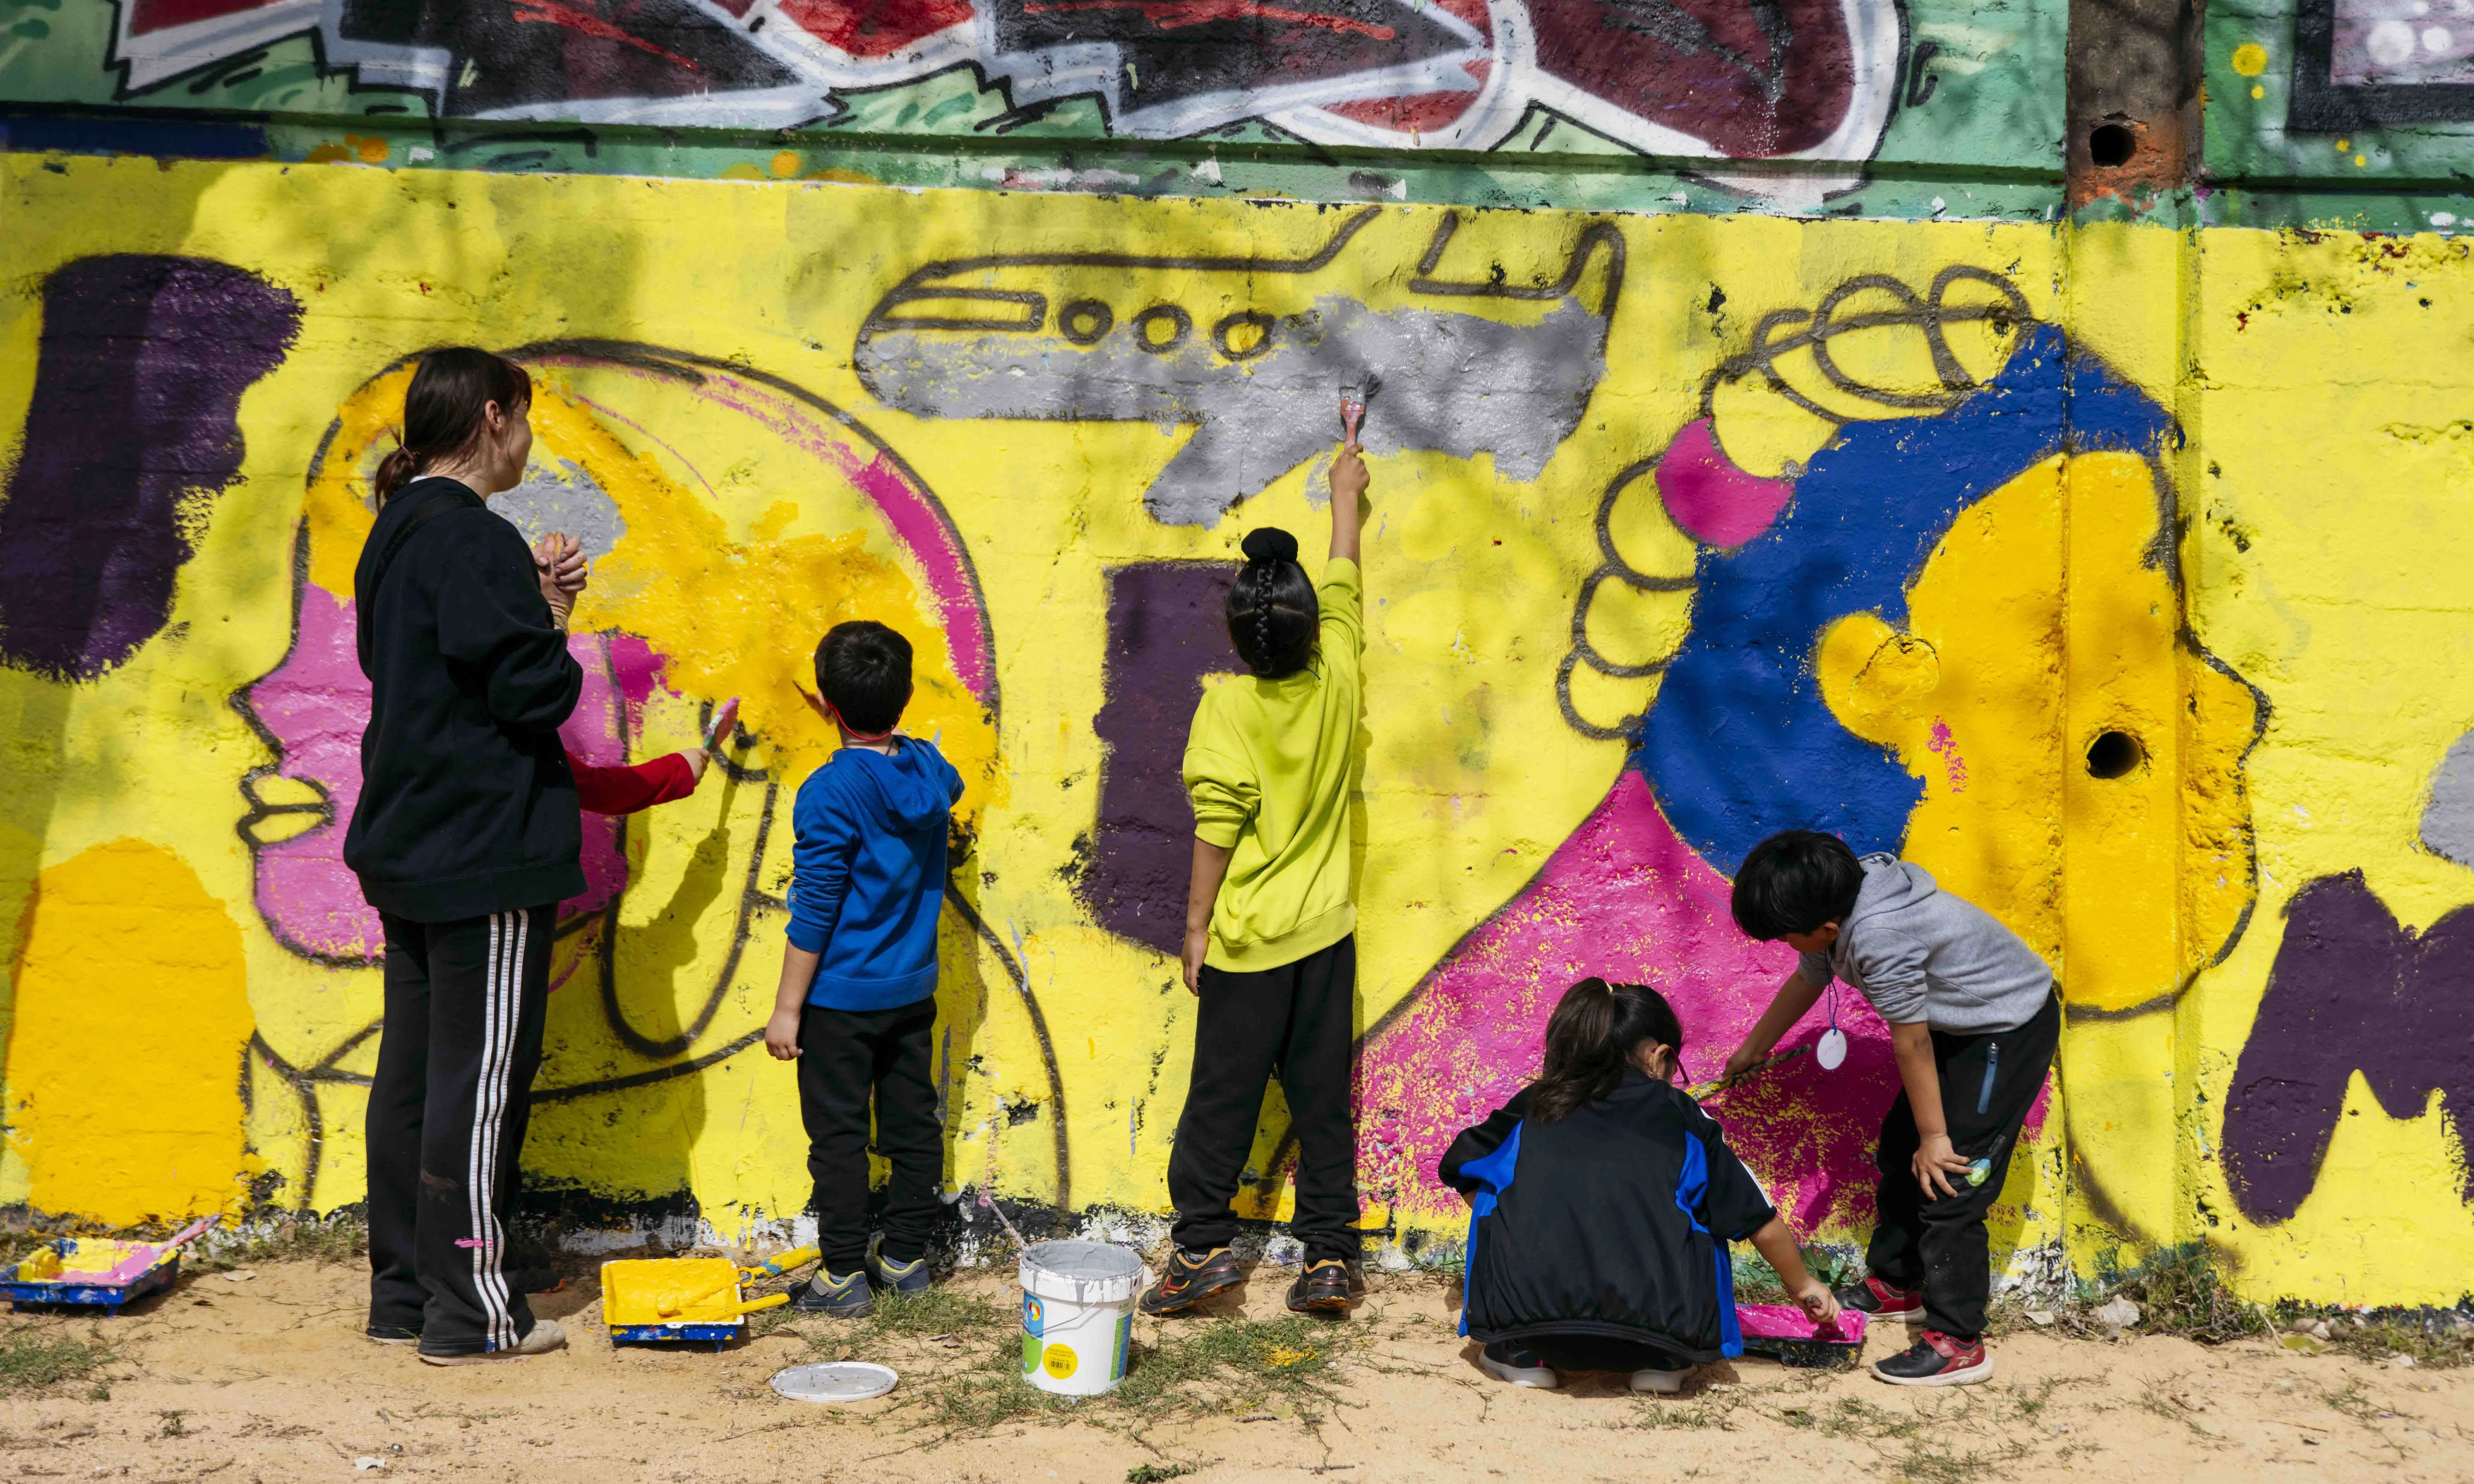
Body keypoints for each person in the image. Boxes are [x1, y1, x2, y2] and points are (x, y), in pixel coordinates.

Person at [348, 347, 588, 1364]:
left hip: (409, 835)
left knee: (413, 1073)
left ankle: (405, 1291)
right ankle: (474, 1310)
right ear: (493, 417)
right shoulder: (475, 538)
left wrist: (531, 606)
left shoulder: (397, 532)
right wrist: (553, 620)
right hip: (481, 845)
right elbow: (533, 695)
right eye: (525, 418)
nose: (530, 439)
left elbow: (447, 670)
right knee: (479, 1079)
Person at [1138, 439, 1372, 1319]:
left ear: (1237, 636)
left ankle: (1202, 1248)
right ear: (1314, 630)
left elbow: (1215, 828)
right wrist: (1343, 495)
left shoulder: (1227, 705)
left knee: (1220, 1103)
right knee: (1320, 1103)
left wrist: (1195, 927)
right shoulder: (1342, 677)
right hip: (1326, 937)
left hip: (1247, 944)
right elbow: (1344, 578)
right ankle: (1328, 1260)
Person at [1723, 829, 2060, 1387]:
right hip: (1958, 1027)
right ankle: (1899, 1284)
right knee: (1902, 1147)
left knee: (1952, 1176)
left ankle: (1958, 1342)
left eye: (1788, 937)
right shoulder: (1838, 898)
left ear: (1828, 930)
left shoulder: (1881, 935)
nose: (1789, 946)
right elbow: (1811, 975)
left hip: (2005, 1027)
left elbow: (1912, 1043)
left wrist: (1938, 1137)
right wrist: (1754, 1049)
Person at [1440, 979, 1841, 1393]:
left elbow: (1456, 1166)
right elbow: (1757, 1219)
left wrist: (1521, 1217)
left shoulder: (1531, 1105)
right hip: (1657, 1338)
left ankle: (1517, 1353)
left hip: (1536, 1330)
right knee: (1703, 1200)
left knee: (1494, 1185)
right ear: (1660, 1056)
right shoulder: (1684, 1117)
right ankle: (1665, 1363)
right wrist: (1804, 1285)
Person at [763, 622, 964, 1318]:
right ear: (906, 697)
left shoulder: (829, 791)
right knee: (914, 1124)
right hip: (911, 991)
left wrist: (789, 1007)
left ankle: (843, 1274)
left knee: (840, 1135)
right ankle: (907, 1257)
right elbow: (944, 775)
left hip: (841, 999)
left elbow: (816, 907)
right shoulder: (930, 769)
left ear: (825, 701)